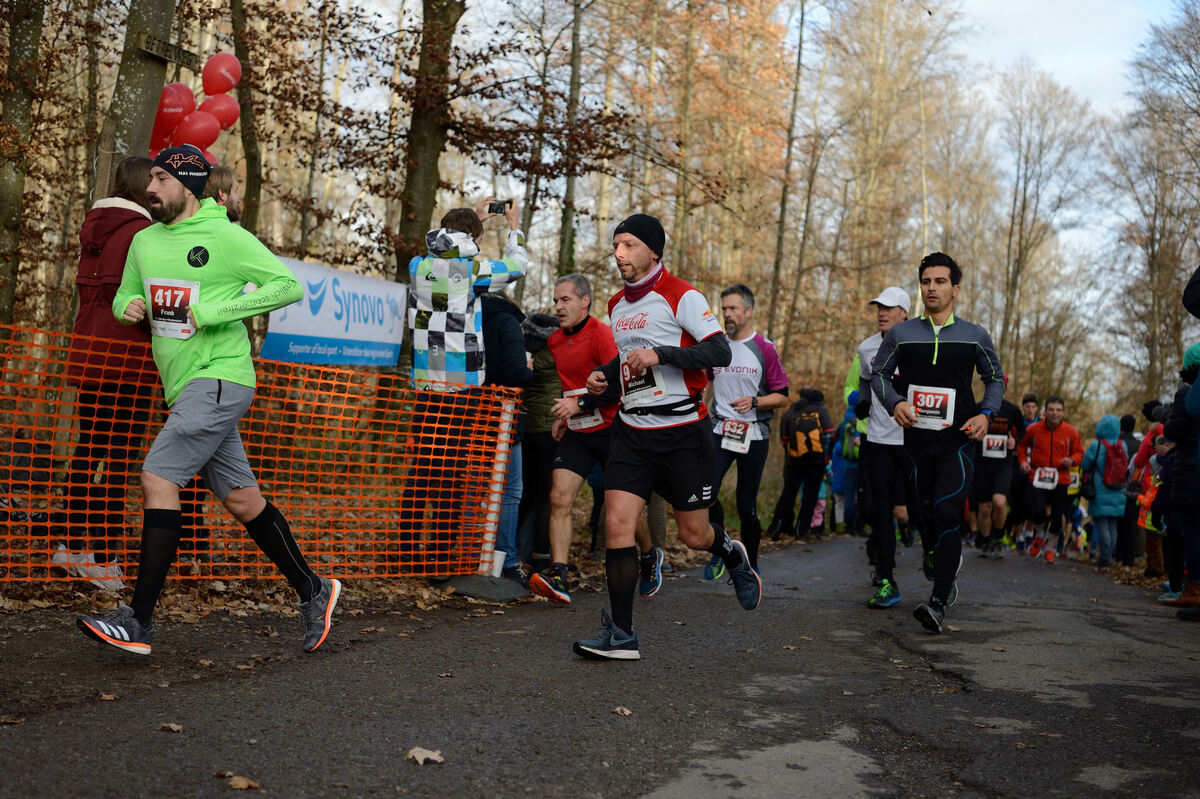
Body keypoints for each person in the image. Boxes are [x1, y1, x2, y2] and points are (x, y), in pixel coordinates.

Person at [76, 145, 339, 655]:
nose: (150, 189)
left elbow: (287, 286)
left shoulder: (225, 236)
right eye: (149, 179)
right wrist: (128, 306)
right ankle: (314, 588)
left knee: (157, 475)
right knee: (242, 499)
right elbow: (124, 297)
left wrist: (215, 311)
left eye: (160, 179)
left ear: (188, 184)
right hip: (181, 386)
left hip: (221, 377)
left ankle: (138, 620)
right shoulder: (144, 242)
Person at [573, 213, 759, 660]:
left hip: (682, 433)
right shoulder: (617, 305)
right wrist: (601, 383)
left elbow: (718, 350)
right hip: (633, 431)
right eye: (616, 245)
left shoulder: (681, 295)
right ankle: (622, 635)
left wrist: (659, 353)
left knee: (694, 535)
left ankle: (732, 555)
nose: (619, 253)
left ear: (653, 250)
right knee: (618, 524)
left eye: (629, 245)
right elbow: (628, 371)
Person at [871, 252, 1004, 633]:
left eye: (940, 281)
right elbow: (878, 375)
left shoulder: (974, 334)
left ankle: (939, 601)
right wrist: (894, 402)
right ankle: (935, 551)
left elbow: (994, 378)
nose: (932, 287)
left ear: (955, 289)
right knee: (919, 513)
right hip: (914, 440)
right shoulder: (902, 333)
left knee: (947, 510)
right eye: (926, 281)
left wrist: (985, 414)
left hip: (958, 439)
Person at [403, 198, 526, 556]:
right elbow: (517, 267)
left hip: (426, 385)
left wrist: (470, 217)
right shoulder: (472, 270)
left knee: (422, 469)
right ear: (472, 237)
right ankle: (439, 556)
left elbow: (441, 246)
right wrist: (514, 229)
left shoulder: (417, 265)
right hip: (462, 388)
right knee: (452, 472)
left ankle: (407, 552)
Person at [55, 156, 156, 591]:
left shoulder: (94, 230)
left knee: (86, 451)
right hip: (128, 362)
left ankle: (70, 547)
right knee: (117, 460)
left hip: (88, 356)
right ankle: (104, 557)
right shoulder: (143, 234)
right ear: (141, 187)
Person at [529, 274, 637, 605]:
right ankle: (559, 574)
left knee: (624, 508)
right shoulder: (555, 342)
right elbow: (571, 384)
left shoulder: (603, 335)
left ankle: (649, 556)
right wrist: (568, 415)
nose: (558, 307)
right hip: (578, 430)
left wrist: (579, 404)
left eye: (565, 300)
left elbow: (620, 386)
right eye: (556, 300)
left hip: (611, 429)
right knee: (559, 497)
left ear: (584, 301)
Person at [706, 283, 789, 573]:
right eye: (724, 308)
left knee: (746, 506)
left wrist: (755, 401)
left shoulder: (763, 348)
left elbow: (783, 397)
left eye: (733, 309)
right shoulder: (716, 345)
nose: (727, 314)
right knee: (707, 493)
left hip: (754, 435)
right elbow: (705, 382)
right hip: (719, 430)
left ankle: (750, 568)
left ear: (748, 312)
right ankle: (720, 547)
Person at [853, 286, 916, 608]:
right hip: (878, 439)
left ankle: (933, 551)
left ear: (904, 312)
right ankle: (887, 579)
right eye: (878, 307)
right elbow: (866, 378)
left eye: (889, 308)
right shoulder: (867, 347)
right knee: (879, 512)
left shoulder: (918, 342)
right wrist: (863, 402)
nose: (881, 312)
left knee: (919, 504)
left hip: (913, 438)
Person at [480, 292, 533, 585]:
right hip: (504, 415)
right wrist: (530, 372)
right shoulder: (507, 322)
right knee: (510, 490)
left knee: (475, 488)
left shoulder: (468, 318)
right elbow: (515, 371)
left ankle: (469, 556)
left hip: (470, 412)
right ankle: (507, 560)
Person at [1016, 397, 1083, 564]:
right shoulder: (1033, 429)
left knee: (1057, 515)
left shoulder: (1071, 432)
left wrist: (1072, 460)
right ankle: (1039, 534)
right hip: (1038, 475)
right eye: (1051, 409)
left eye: (1058, 410)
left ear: (1063, 412)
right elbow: (1022, 446)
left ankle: (1049, 549)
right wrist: (1023, 462)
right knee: (1037, 510)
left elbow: (1080, 452)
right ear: (1045, 411)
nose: (1055, 413)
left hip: (1061, 477)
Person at [765, 387, 831, 544]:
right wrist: (825, 457)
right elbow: (830, 434)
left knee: (788, 494)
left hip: (793, 461)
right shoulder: (821, 411)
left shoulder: (790, 412)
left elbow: (784, 440)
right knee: (810, 496)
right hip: (817, 462)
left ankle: (777, 528)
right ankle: (802, 530)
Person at [973, 378, 1025, 558]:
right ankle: (986, 540)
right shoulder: (978, 408)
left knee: (1000, 502)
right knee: (985, 507)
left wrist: (1015, 441)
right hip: (982, 464)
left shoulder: (1012, 410)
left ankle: (999, 535)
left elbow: (1023, 431)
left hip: (1003, 464)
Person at [1080, 414, 1132, 568]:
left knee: (1102, 524)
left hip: (1100, 489)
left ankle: (1105, 557)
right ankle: (1110, 555)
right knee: (1113, 525)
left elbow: (1085, 465)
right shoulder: (1122, 445)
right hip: (1119, 490)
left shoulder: (1097, 445)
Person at [1006, 392, 1041, 553]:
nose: (1031, 410)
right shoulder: (1016, 423)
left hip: (1034, 469)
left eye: (1034, 407)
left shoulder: (1041, 425)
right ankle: (1019, 535)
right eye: (1028, 406)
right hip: (1015, 468)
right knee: (1016, 504)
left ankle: (1029, 531)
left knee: (1033, 503)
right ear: (1023, 408)